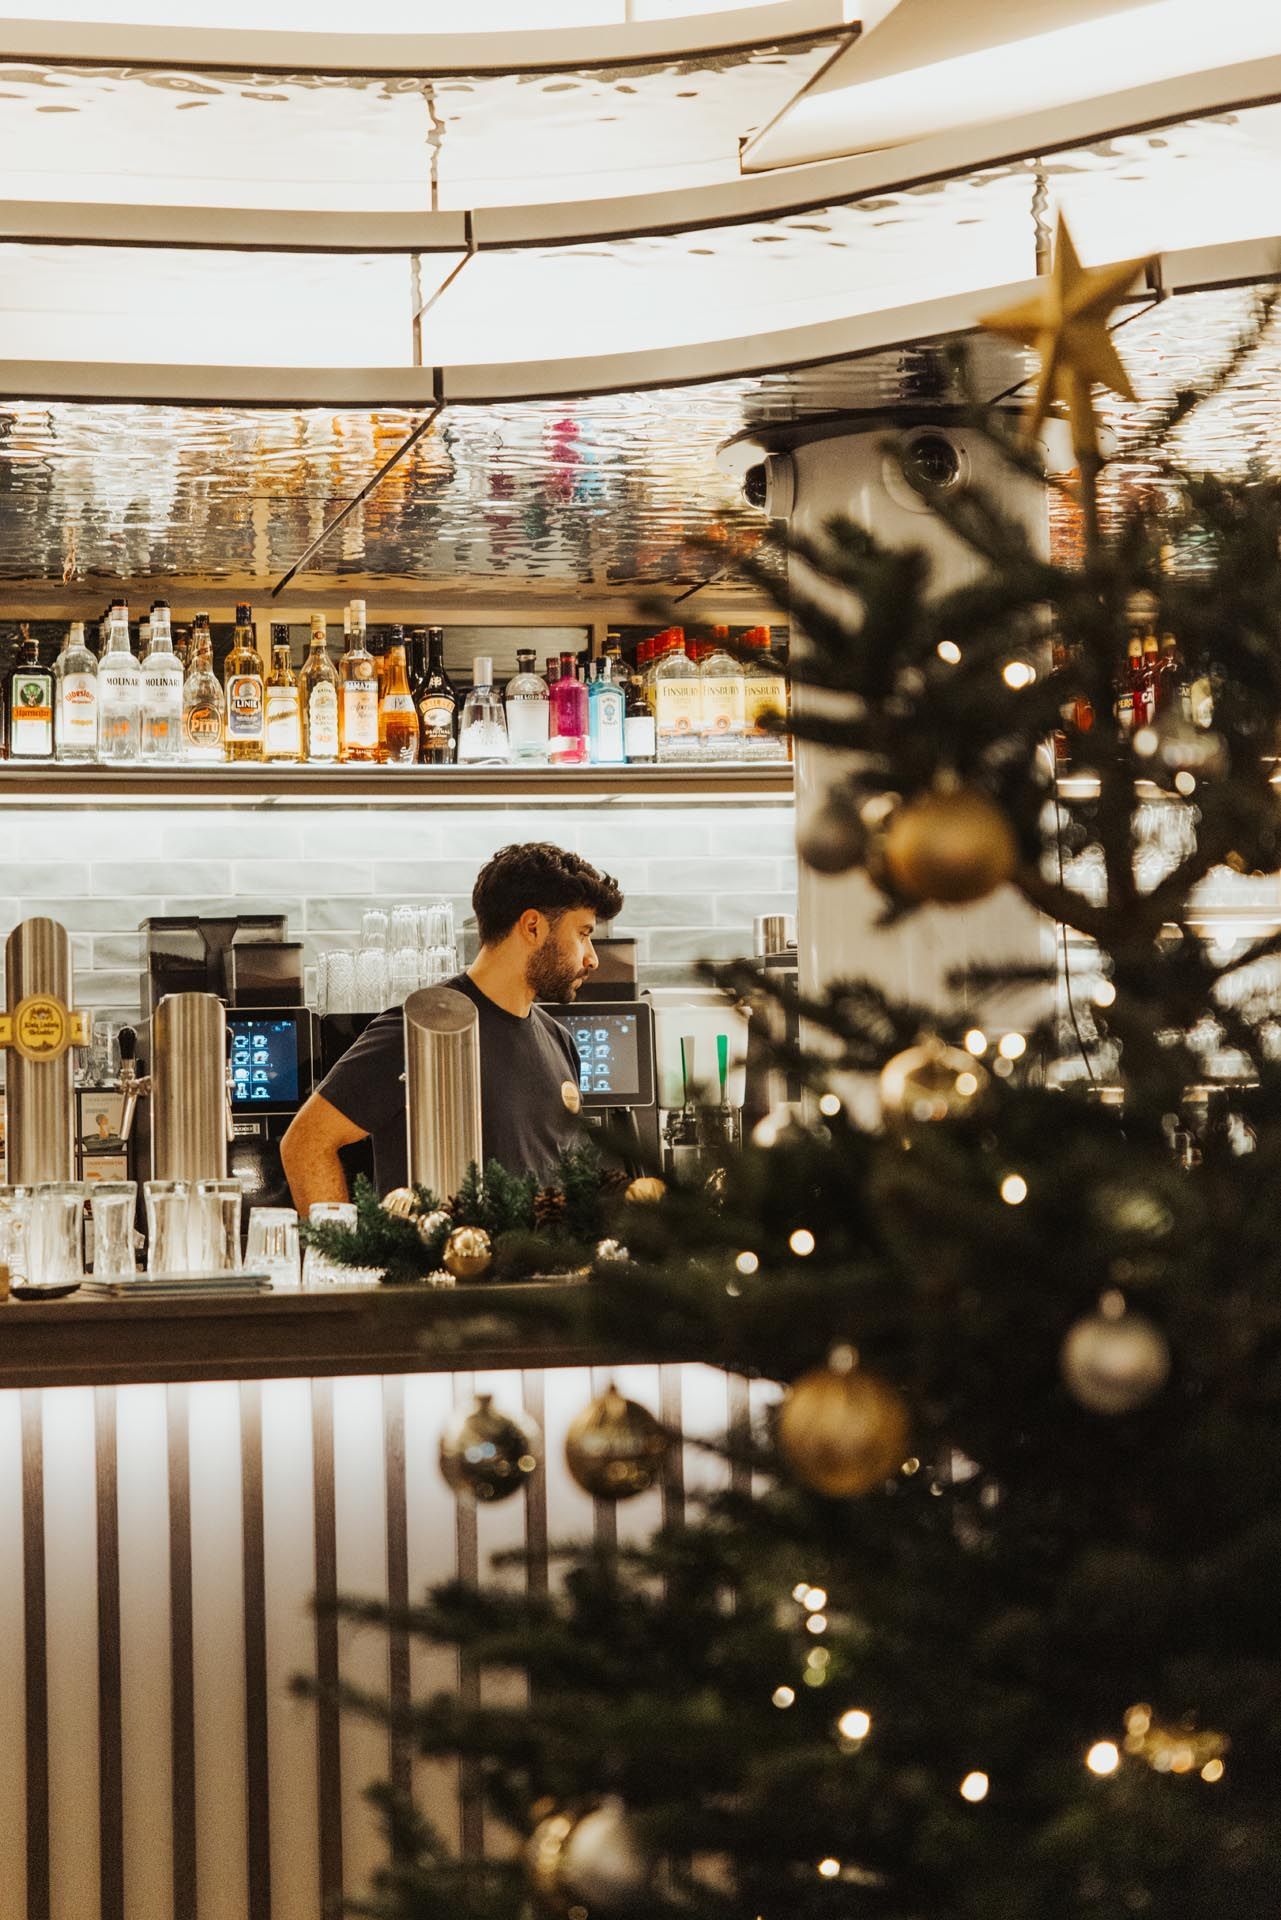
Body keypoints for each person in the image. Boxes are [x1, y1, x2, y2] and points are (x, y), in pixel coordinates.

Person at [281, 841, 623, 1214]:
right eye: (583, 934)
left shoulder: (560, 1041)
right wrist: (341, 1258)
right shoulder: (422, 1029)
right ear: (532, 926)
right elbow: (306, 1142)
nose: (592, 959)